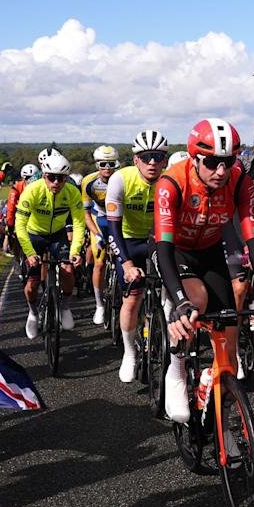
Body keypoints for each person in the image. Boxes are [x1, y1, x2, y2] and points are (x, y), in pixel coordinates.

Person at [156, 119, 254, 421]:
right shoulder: (171, 182)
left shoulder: (240, 181)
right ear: (194, 158)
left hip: (211, 252)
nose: (221, 171)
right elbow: (163, 249)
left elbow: (253, 238)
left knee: (229, 351)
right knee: (195, 302)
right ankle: (176, 370)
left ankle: (221, 420)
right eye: (212, 163)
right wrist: (179, 300)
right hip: (176, 252)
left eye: (228, 162)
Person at [105, 130, 166, 383]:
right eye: (146, 157)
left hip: (157, 239)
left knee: (173, 290)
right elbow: (113, 229)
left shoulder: (170, 180)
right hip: (128, 240)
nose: (152, 162)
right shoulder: (120, 179)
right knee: (133, 294)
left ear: (164, 160)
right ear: (135, 160)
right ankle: (129, 352)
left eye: (158, 157)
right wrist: (127, 264)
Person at [15, 149, 85, 339]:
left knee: (68, 270)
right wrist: (29, 253)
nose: (56, 182)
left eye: (61, 178)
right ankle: (33, 313)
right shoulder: (32, 191)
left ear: (66, 178)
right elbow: (19, 225)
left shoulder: (71, 192)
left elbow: (79, 223)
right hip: (34, 234)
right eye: (52, 177)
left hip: (57, 234)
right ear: (44, 176)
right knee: (32, 283)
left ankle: (64, 308)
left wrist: (76, 250)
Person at [83, 145, 119, 325]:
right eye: (103, 164)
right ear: (97, 165)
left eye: (111, 164)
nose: (107, 168)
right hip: (99, 220)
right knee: (99, 262)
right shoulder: (88, 182)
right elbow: (86, 214)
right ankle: (99, 305)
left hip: (119, 219)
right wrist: (96, 235)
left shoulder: (123, 179)